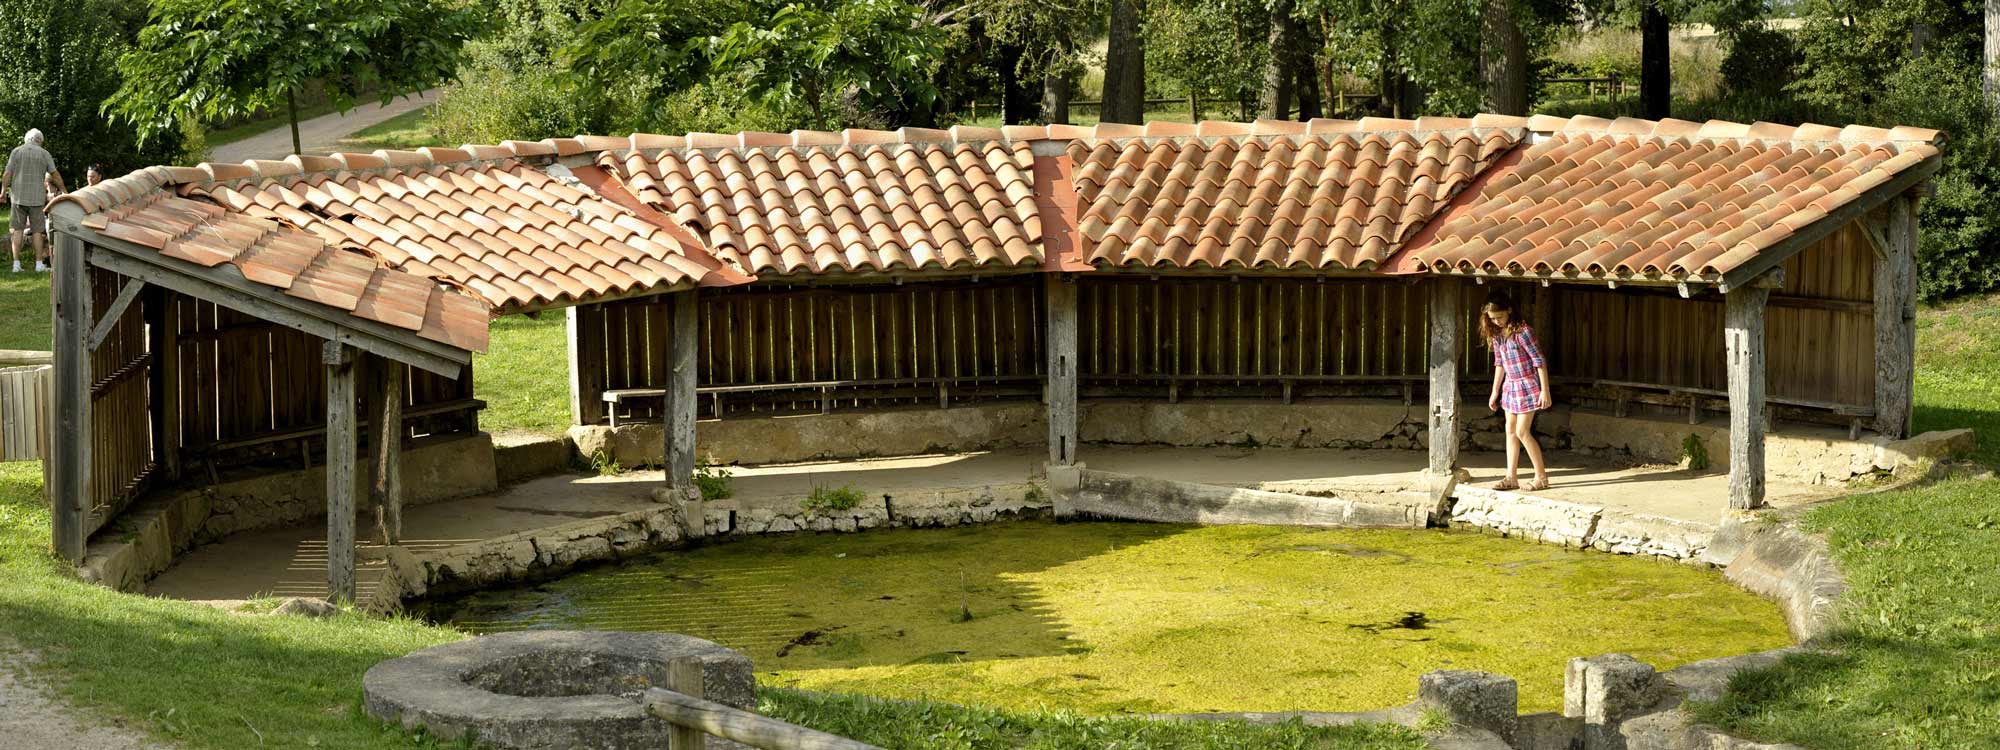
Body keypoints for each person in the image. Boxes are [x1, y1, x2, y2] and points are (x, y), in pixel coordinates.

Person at [1482, 291, 1551, 491]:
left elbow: (1539, 361)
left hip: (1528, 386)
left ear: (1509, 311)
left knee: (1522, 431)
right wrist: (1495, 391)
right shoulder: (1496, 335)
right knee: (1510, 431)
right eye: (1492, 318)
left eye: (1500, 317)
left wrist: (1544, 391)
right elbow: (1500, 363)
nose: (1496, 322)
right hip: (1510, 386)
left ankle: (1541, 477)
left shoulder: (1523, 332)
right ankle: (1511, 477)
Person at [0, 129, 65, 273]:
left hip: (18, 197)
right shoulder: (44, 153)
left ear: (26, 139)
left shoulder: (16, 152)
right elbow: (55, 174)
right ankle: (39, 264)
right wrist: (64, 191)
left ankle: (16, 265)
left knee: (17, 230)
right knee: (37, 232)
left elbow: (7, 172)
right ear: (39, 140)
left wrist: (3, 191)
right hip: (36, 199)